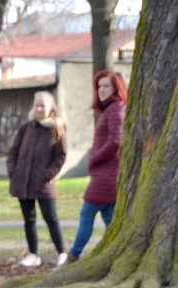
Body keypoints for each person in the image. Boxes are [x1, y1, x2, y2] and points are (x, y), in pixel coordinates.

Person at [69, 70, 127, 262]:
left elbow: (116, 141)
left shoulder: (116, 109)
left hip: (107, 175)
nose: (101, 90)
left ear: (116, 88)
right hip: (105, 174)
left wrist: (94, 159)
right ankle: (117, 255)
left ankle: (74, 255)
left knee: (87, 212)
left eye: (106, 86)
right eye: (99, 86)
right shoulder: (110, 109)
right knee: (110, 217)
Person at [7, 91, 68, 269]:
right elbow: (14, 151)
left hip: (43, 184)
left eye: (43, 105)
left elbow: (61, 156)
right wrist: (13, 171)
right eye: (37, 105)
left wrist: (47, 175)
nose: (39, 109)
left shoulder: (56, 128)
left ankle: (62, 253)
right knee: (29, 219)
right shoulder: (26, 128)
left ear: (50, 107)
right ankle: (33, 254)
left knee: (51, 218)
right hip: (23, 182)